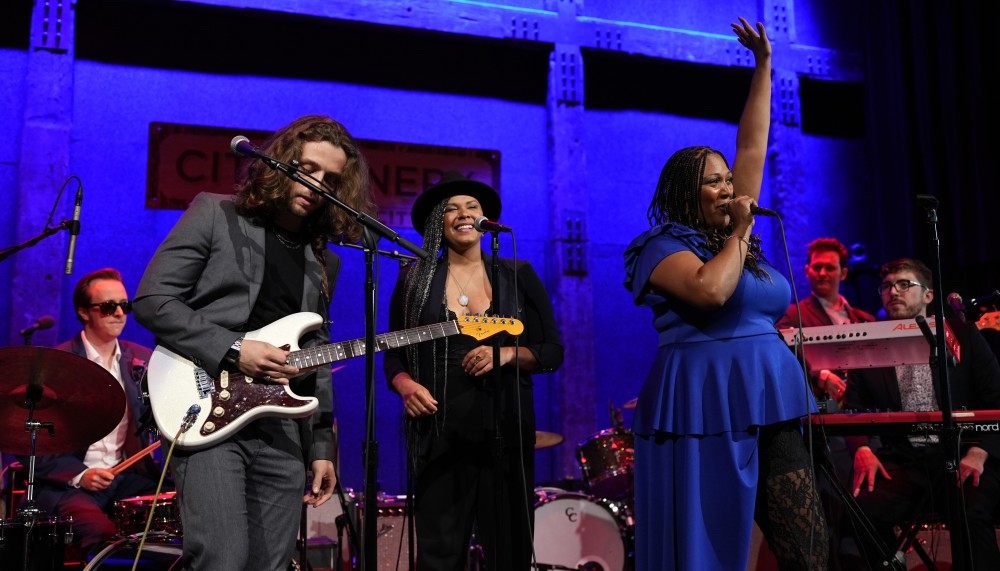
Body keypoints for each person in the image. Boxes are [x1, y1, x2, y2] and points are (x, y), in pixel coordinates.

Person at [622, 18, 828, 570]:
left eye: (729, 179)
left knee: (809, 549)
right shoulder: (661, 246)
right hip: (704, 399)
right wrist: (740, 231)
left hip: (772, 392)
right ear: (686, 193)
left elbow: (752, 143)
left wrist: (763, 66)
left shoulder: (738, 241)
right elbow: (709, 293)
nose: (730, 187)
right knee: (707, 546)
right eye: (714, 180)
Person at [133, 115, 376, 570]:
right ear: (281, 163)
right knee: (222, 559)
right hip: (204, 405)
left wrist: (323, 447)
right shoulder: (215, 213)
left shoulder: (324, 263)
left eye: (331, 178)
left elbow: (316, 356)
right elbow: (152, 300)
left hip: (281, 428)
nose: (317, 183)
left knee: (272, 564)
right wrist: (232, 348)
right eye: (308, 169)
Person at [383, 170, 564, 571]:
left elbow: (552, 351)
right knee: (439, 557)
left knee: (510, 553)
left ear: (486, 220)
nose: (463, 214)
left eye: (472, 207)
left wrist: (507, 356)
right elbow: (393, 353)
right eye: (450, 208)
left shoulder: (518, 275)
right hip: (439, 434)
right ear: (437, 224)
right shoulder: (414, 279)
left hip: (507, 432)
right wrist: (406, 385)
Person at [844, 258, 1000, 570]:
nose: (893, 292)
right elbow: (852, 408)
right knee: (860, 509)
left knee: (972, 512)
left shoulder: (964, 335)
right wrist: (862, 447)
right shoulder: (869, 343)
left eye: (904, 284)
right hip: (906, 460)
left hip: (964, 454)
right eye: (887, 286)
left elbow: (995, 397)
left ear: (928, 295)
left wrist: (980, 452)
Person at [20, 268, 160, 556]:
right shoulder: (56, 364)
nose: (120, 313)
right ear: (84, 312)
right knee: (102, 535)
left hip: (124, 477)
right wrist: (79, 475)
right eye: (109, 307)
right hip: (67, 485)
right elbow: (26, 442)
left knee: (178, 514)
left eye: (125, 305)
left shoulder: (142, 360)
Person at [778, 237, 876, 401]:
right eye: (817, 267)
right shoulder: (792, 314)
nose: (822, 273)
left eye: (829, 268)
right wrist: (819, 375)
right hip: (821, 406)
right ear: (807, 271)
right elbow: (782, 358)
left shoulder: (865, 319)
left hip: (864, 403)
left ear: (843, 273)